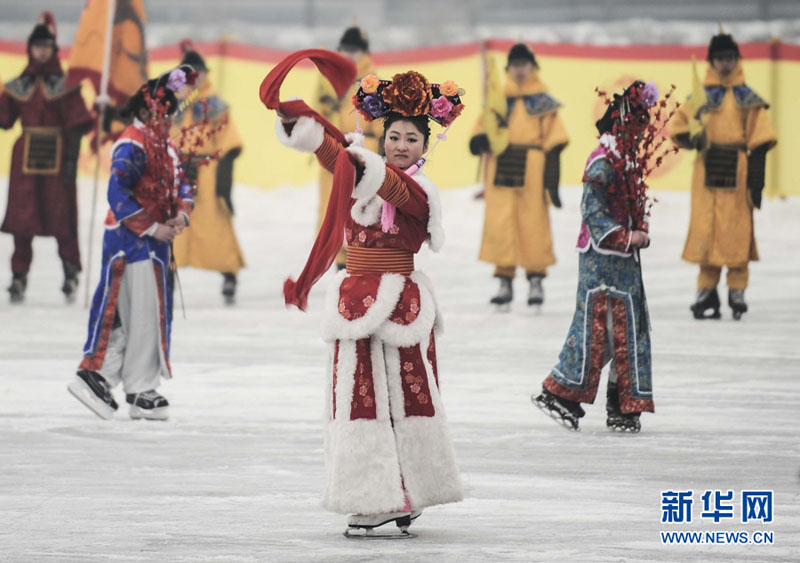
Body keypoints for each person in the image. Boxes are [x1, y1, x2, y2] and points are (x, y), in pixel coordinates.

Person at [264, 51, 463, 536]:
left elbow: (389, 185)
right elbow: (341, 161)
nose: (399, 145)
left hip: (397, 303)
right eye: (393, 136)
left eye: (410, 139)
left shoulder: (421, 192)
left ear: (424, 147)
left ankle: (397, 494)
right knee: (360, 402)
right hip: (356, 299)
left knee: (398, 402)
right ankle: (381, 491)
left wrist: (358, 158)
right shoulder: (366, 170)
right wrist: (306, 130)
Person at [532, 81, 661, 433]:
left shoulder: (629, 160)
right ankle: (561, 393)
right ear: (621, 125)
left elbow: (635, 206)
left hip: (624, 259)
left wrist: (640, 225)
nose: (640, 132)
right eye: (636, 125)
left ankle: (621, 404)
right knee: (599, 328)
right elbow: (591, 208)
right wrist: (624, 236)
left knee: (628, 328)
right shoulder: (603, 159)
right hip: (601, 257)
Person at [68, 66, 195, 421]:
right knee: (131, 315)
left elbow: (185, 185)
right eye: (161, 111)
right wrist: (152, 227)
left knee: (148, 316)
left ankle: (138, 386)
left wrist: (181, 216)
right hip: (131, 242)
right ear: (144, 111)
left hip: (155, 246)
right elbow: (117, 192)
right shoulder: (130, 145)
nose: (167, 117)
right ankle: (103, 377)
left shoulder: (165, 147)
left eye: (169, 111)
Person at [670, 32, 777, 320]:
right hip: (707, 168)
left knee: (736, 230)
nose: (725, 63)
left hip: (738, 171)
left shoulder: (748, 99)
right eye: (720, 58)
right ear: (711, 61)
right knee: (708, 230)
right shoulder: (700, 97)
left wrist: (757, 181)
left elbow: (761, 140)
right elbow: (678, 128)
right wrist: (694, 139)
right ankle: (706, 290)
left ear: (737, 60)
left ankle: (737, 289)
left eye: (730, 58)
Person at [0, 12, 93, 303]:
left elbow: (77, 125)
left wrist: (71, 161)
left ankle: (70, 272)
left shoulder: (67, 86)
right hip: (24, 159)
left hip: (58, 157)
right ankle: (18, 277)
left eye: (46, 46)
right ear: (30, 49)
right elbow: (5, 120)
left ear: (53, 49)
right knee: (22, 219)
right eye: (37, 46)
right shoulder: (17, 86)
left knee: (61, 217)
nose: (41, 51)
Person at [470, 43, 568, 308]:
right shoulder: (498, 99)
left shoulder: (544, 102)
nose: (520, 70)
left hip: (533, 166)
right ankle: (504, 280)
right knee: (501, 222)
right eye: (515, 65)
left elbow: (555, 137)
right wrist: (480, 140)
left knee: (532, 221)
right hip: (502, 161)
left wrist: (552, 174)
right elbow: (482, 127)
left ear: (532, 67)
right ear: (508, 69)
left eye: (524, 65)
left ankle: (535, 279)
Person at [171, 42, 246, 304]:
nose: (194, 77)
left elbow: (230, 142)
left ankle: (229, 275)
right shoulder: (173, 104)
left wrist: (223, 183)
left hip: (207, 171)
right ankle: (167, 273)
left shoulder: (216, 105)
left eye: (198, 72)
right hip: (178, 171)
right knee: (175, 226)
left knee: (216, 225)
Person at [315, 26, 383, 270]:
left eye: (355, 51)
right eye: (345, 50)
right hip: (333, 153)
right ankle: (340, 263)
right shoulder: (328, 80)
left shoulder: (372, 83)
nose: (350, 55)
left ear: (364, 53)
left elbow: (380, 122)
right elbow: (318, 114)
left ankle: (359, 260)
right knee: (333, 210)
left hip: (363, 155)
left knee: (359, 210)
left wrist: (375, 151)